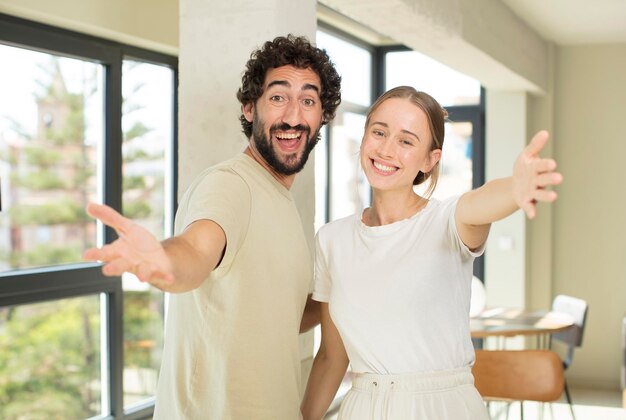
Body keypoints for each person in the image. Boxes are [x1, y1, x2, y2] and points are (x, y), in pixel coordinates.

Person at [83, 35, 341, 419]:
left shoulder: (280, 200)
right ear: (249, 108)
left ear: (322, 115)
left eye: (308, 100)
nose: (292, 115)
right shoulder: (230, 185)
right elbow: (196, 250)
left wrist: (341, 292)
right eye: (277, 97)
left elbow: (279, 314)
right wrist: (165, 263)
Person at [300, 86, 563, 419]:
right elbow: (331, 356)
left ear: (430, 158)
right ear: (365, 135)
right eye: (379, 132)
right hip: (363, 406)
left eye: (406, 141)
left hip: (442, 407)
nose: (386, 149)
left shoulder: (447, 221)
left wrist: (515, 188)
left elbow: (480, 202)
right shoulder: (332, 240)